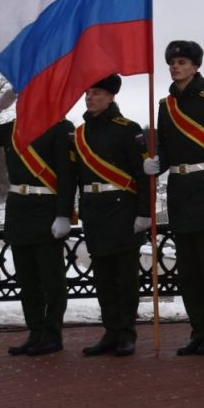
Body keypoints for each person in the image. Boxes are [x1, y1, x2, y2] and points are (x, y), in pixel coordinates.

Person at [145, 40, 204, 356]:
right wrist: (156, 163)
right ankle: (197, 331)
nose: (176, 67)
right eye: (172, 62)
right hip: (180, 191)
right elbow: (168, 149)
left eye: (183, 62)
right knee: (187, 271)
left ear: (196, 67)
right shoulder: (165, 105)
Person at [0, 96, 75, 356]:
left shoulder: (60, 128)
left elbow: (67, 174)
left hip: (47, 209)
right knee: (28, 280)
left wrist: (64, 214)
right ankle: (35, 332)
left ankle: (52, 334)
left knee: (52, 281)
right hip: (19, 210)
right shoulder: (12, 129)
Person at [68, 75, 152, 357]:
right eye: (88, 93)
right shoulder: (79, 134)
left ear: (111, 97)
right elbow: (74, 178)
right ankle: (110, 332)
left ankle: (127, 334)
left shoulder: (127, 129)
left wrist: (144, 213)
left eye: (97, 93)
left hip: (123, 210)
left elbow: (142, 174)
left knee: (125, 278)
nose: (90, 98)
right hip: (94, 210)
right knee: (103, 278)